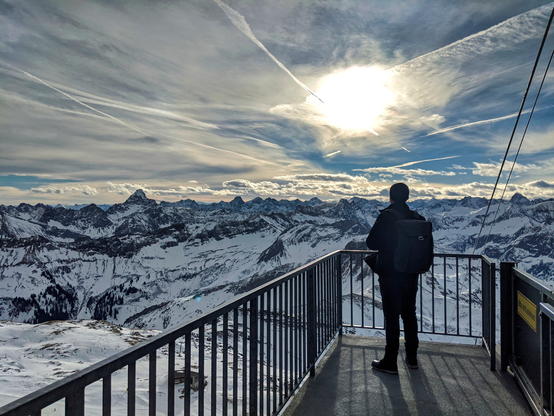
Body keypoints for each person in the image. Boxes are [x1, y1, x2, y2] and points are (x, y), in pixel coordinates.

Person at [366, 183, 422, 375]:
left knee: (392, 317)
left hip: (390, 273)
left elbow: (371, 242)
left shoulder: (386, 217)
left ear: (391, 197)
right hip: (411, 273)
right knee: (409, 314)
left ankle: (390, 361)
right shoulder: (416, 217)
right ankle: (412, 357)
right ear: (407, 197)